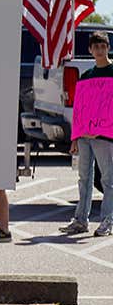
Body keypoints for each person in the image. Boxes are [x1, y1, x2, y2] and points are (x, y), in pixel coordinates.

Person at [60, 31, 113, 237]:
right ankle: (81, 220)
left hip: (104, 137)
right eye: (96, 47)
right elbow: (79, 107)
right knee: (84, 178)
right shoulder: (86, 76)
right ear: (90, 50)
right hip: (84, 137)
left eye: (103, 46)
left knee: (108, 180)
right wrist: (75, 136)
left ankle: (107, 221)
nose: (99, 50)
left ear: (108, 48)